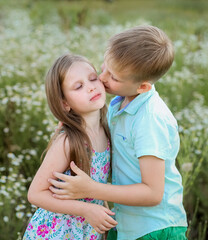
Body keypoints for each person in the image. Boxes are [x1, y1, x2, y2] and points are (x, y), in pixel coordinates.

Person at [48, 26, 188, 240]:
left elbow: (152, 193)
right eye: (104, 68)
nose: (102, 78)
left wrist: (91, 189)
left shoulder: (150, 120)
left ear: (142, 87)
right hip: (126, 222)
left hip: (155, 228)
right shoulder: (120, 102)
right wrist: (72, 120)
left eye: (112, 76)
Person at [23, 54, 118, 240]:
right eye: (78, 86)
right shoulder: (68, 141)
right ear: (65, 103)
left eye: (92, 78)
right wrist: (87, 210)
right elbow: (35, 194)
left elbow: (95, 186)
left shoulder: (106, 130)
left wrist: (101, 214)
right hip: (56, 232)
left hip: (86, 230)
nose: (91, 87)